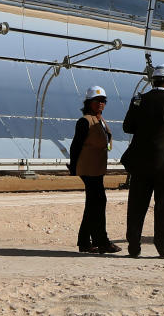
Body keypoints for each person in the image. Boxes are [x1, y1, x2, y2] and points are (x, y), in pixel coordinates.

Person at [121, 64, 164, 259]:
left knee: (136, 205)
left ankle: (134, 247)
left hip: (141, 163)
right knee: (163, 206)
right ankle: (163, 248)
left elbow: (128, 127)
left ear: (153, 81)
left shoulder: (138, 100)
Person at [68, 86, 121, 254]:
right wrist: (74, 167)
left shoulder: (101, 120)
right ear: (89, 103)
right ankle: (102, 241)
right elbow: (75, 146)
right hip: (88, 168)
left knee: (93, 204)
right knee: (98, 202)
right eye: (97, 101)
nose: (100, 104)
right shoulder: (85, 121)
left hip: (97, 168)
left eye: (103, 101)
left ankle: (84, 242)